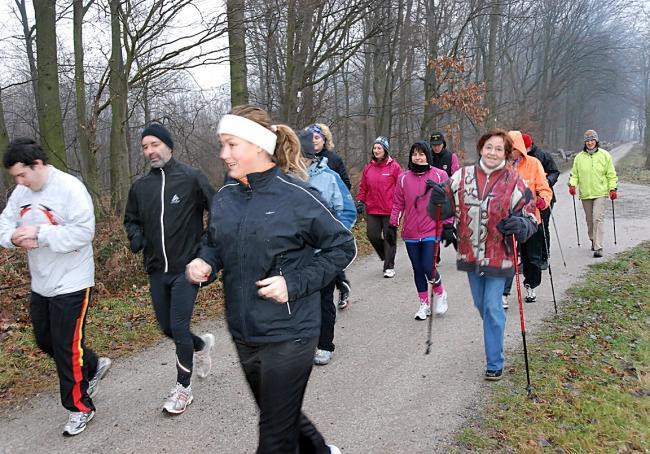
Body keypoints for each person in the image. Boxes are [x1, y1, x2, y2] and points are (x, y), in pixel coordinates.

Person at [186, 105, 355, 454]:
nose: (223, 154)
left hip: (291, 334)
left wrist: (293, 283)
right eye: (222, 145)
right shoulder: (225, 198)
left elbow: (343, 246)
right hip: (245, 330)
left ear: (258, 145)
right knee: (280, 415)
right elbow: (215, 242)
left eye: (231, 145)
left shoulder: (298, 197)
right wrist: (204, 261)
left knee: (275, 438)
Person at [0, 138, 112, 436]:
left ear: (37, 165)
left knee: (65, 348)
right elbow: (5, 224)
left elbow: (84, 232)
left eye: (22, 174)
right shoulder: (21, 193)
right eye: (15, 178)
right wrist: (11, 238)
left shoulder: (70, 188)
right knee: (45, 341)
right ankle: (93, 363)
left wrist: (41, 234)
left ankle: (80, 407)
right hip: (42, 281)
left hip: (73, 280)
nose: (19, 181)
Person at [427, 129, 537, 381]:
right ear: (480, 148)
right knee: (482, 306)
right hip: (470, 255)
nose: (493, 152)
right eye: (489, 147)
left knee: (491, 306)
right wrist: (436, 200)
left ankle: (494, 361)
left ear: (506, 153)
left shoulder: (514, 181)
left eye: (499, 149)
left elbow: (531, 218)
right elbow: (439, 212)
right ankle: (494, 332)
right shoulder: (461, 176)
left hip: (501, 256)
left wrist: (521, 226)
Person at [124, 123, 216, 415]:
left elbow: (219, 211)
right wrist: (136, 236)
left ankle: (182, 389)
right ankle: (200, 346)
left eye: (155, 144)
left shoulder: (191, 178)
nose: (150, 151)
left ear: (169, 146)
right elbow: (131, 219)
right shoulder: (140, 187)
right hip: (156, 269)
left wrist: (204, 252)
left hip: (186, 269)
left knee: (178, 326)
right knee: (167, 328)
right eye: (145, 147)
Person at [297, 130, 356, 366]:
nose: (298, 162)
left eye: (302, 157)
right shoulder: (286, 179)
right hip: (297, 255)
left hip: (324, 253)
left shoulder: (329, 177)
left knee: (323, 300)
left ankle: (324, 345)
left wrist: (333, 238)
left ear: (309, 156)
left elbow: (348, 211)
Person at [389, 141, 452, 320]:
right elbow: (398, 204)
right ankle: (424, 304)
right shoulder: (403, 178)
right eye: (414, 154)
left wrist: (448, 224)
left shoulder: (439, 175)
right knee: (417, 269)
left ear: (428, 156)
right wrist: (393, 225)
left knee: (427, 266)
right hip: (410, 232)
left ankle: (440, 293)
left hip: (432, 229)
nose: (418, 157)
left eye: (421, 154)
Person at [501, 131, 552, 307]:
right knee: (507, 257)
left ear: (520, 148)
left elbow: (544, 187)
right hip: (507, 218)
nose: (510, 152)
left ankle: (531, 284)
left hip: (530, 218)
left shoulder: (534, 163)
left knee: (532, 257)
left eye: (513, 148)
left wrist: (543, 200)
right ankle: (503, 293)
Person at [308, 123, 353, 309]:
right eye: (310, 138)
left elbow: (345, 185)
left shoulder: (333, 159)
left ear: (325, 140)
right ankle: (340, 282)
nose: (313, 142)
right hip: (310, 226)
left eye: (317, 138)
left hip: (331, 217)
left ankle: (341, 286)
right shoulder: (301, 159)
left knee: (329, 259)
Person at [356, 136, 402, 277]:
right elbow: (363, 187)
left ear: (385, 150)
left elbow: (401, 186)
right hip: (373, 209)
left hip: (390, 209)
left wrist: (401, 204)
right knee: (372, 235)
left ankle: (389, 266)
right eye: (375, 148)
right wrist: (360, 201)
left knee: (389, 238)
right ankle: (386, 254)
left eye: (379, 148)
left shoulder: (394, 167)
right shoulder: (368, 168)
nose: (376, 150)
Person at [568, 129, 618, 258]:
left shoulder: (605, 155)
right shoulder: (579, 158)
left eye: (592, 140)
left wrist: (612, 189)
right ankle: (592, 239)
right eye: (587, 141)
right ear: (585, 143)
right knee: (589, 220)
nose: (590, 143)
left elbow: (611, 174)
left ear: (596, 141)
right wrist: (572, 184)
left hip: (600, 192)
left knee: (597, 218)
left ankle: (598, 246)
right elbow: (574, 174)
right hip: (585, 193)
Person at [522, 133, 559, 267]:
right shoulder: (518, 160)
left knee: (542, 226)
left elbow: (555, 172)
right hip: (527, 201)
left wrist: (546, 182)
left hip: (545, 198)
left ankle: (544, 256)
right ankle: (526, 259)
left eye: (524, 147)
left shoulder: (543, 155)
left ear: (530, 145)